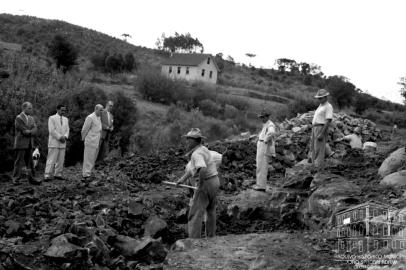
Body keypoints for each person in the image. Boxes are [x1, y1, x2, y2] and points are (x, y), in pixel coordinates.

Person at [176, 128, 220, 238]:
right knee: (210, 210)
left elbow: (202, 169)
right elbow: (193, 169)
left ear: (194, 140)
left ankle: (194, 241)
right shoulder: (203, 149)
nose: (187, 142)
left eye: (188, 139)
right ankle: (210, 237)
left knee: (195, 213)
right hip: (215, 181)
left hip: (206, 183)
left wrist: (200, 186)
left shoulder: (196, 154)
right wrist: (182, 179)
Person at [12, 102, 41, 185]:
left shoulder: (31, 118)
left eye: (31, 108)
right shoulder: (18, 118)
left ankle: (32, 178)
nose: (31, 110)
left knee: (30, 162)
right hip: (20, 143)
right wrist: (31, 130)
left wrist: (30, 131)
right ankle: (15, 179)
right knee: (19, 162)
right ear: (24, 108)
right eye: (29, 108)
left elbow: (35, 129)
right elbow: (24, 131)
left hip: (29, 144)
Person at [44, 104, 69, 181]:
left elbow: (67, 129)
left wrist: (65, 136)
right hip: (54, 142)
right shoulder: (52, 118)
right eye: (62, 110)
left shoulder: (66, 119)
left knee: (61, 160)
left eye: (64, 110)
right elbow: (51, 130)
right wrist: (59, 137)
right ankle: (47, 175)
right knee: (51, 159)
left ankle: (58, 174)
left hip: (63, 142)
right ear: (57, 109)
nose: (63, 112)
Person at [310, 89, 333, 170]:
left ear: (325, 97)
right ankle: (314, 166)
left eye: (321, 98)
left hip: (320, 128)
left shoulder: (328, 106)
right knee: (314, 148)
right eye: (318, 98)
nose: (319, 100)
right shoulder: (321, 105)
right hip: (315, 127)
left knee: (319, 149)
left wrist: (322, 133)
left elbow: (328, 120)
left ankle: (318, 168)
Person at [253, 111, 276, 191]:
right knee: (259, 165)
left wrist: (266, 139)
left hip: (264, 146)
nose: (261, 119)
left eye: (263, 117)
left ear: (267, 117)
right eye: (261, 117)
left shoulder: (270, 124)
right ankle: (259, 184)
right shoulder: (266, 125)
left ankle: (261, 186)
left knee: (262, 165)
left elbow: (272, 132)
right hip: (261, 144)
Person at [81, 104, 103, 179]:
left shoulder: (99, 117)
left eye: (102, 110)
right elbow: (84, 129)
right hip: (90, 141)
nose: (101, 111)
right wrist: (84, 139)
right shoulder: (90, 117)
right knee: (88, 158)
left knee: (92, 158)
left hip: (96, 141)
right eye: (100, 110)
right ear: (96, 109)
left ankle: (89, 172)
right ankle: (86, 174)